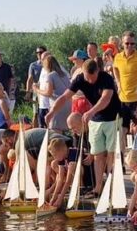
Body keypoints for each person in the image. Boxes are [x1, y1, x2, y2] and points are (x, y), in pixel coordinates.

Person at [48, 58, 122, 192]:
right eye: (88, 78)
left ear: (97, 71)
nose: (90, 81)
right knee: (97, 153)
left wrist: (91, 111)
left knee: (110, 153)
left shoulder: (106, 78)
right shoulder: (80, 79)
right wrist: (51, 112)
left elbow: (106, 98)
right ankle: (98, 187)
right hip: (96, 120)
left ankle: (112, 186)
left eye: (92, 78)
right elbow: (65, 97)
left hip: (112, 118)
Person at [36, 54, 71, 132]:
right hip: (68, 105)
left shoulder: (50, 76)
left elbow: (49, 93)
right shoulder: (64, 75)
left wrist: (37, 90)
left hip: (57, 106)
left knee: (55, 132)